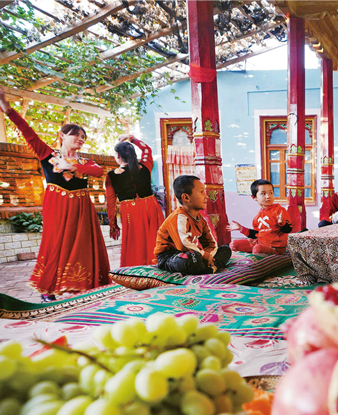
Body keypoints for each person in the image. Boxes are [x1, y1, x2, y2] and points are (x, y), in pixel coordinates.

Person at [0, 89, 110, 301]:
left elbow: (98, 171)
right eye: (76, 134)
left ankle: (85, 285)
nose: (80, 139)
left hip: (81, 209)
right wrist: (7, 109)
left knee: (83, 245)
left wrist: (73, 166)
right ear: (62, 135)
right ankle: (47, 288)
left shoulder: (85, 162)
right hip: (57, 207)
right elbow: (27, 132)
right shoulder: (47, 155)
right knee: (55, 244)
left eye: (83, 137)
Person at [105, 134, 165, 267]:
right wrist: (131, 138)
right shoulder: (145, 166)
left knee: (135, 242)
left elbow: (111, 203)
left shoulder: (111, 176)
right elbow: (147, 149)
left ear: (117, 155)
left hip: (130, 210)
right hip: (150, 206)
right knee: (155, 238)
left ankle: (136, 269)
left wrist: (113, 225)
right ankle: (159, 266)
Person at [154, 175, 231, 274]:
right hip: (170, 257)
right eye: (201, 192)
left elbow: (211, 244)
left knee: (225, 249)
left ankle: (210, 268)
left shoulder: (200, 219)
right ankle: (210, 267)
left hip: (191, 253)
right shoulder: (178, 217)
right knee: (192, 258)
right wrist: (204, 255)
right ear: (186, 197)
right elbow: (183, 245)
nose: (206, 196)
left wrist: (209, 255)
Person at [227, 179, 292, 255]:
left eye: (271, 193)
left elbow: (288, 229)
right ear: (254, 197)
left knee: (257, 249)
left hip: (275, 247)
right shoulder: (257, 217)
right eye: (263, 193)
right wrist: (241, 228)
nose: (268, 196)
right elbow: (256, 234)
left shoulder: (279, 210)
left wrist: (282, 223)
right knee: (233, 244)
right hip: (259, 243)